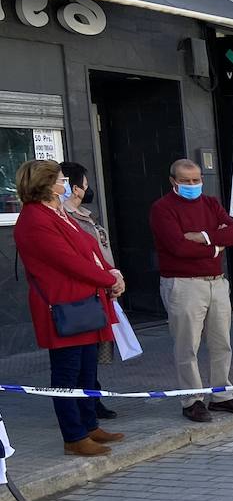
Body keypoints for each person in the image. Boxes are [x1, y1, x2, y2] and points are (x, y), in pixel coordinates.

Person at [13, 160, 125, 457]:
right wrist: (106, 279)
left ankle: (89, 425)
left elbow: (89, 248)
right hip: (63, 306)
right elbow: (68, 261)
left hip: (83, 303)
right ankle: (73, 435)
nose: (65, 184)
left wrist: (112, 273)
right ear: (47, 185)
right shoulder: (35, 219)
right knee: (67, 374)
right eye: (61, 179)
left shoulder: (58, 213)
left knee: (87, 371)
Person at [149, 158, 233, 424]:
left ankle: (221, 395)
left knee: (221, 342)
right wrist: (216, 245)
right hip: (183, 284)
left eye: (197, 180)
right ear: (173, 181)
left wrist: (204, 238)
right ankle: (192, 400)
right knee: (187, 345)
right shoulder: (162, 209)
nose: (192, 185)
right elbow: (179, 247)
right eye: (186, 181)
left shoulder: (210, 202)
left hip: (216, 281)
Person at [60, 162, 120, 420]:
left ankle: (92, 403)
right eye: (84, 183)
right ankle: (85, 408)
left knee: (95, 351)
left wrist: (113, 276)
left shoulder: (85, 215)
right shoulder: (64, 219)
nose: (87, 188)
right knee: (79, 358)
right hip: (85, 295)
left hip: (103, 289)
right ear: (75, 187)